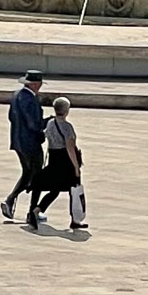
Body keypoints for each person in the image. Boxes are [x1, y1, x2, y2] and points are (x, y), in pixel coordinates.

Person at [31, 95, 86, 230]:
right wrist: (76, 167)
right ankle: (75, 219)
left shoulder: (50, 123)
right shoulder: (67, 127)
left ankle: (36, 210)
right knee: (73, 189)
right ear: (67, 110)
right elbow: (70, 148)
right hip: (65, 161)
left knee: (54, 189)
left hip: (53, 159)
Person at [2, 70, 46, 228]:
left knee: (28, 173)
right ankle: (31, 211)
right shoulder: (30, 99)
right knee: (37, 176)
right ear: (35, 84)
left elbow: (11, 117)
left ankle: (11, 201)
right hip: (30, 143)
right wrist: (46, 125)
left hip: (18, 141)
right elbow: (33, 124)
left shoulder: (17, 95)